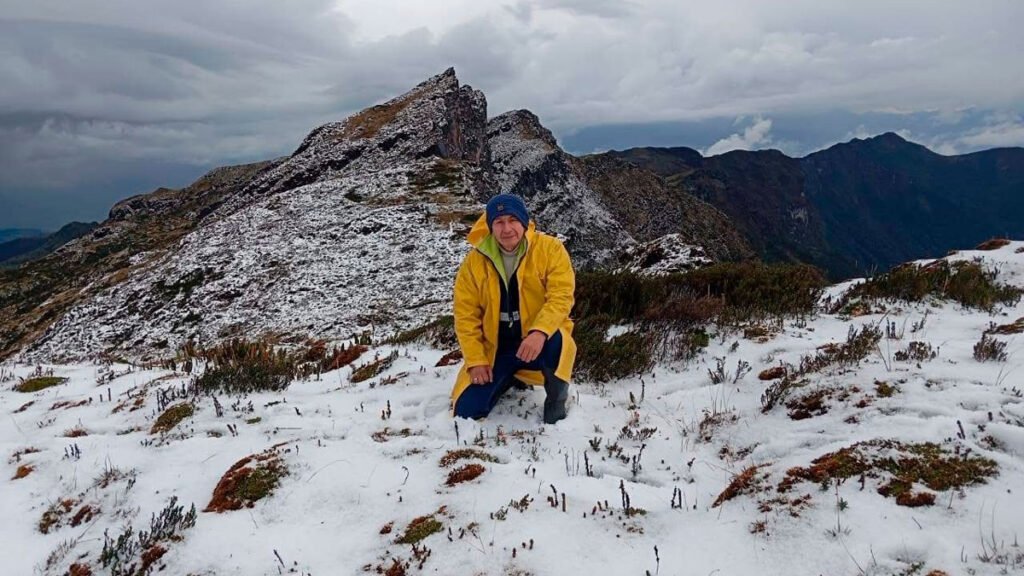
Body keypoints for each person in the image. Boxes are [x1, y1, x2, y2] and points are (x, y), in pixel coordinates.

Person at [450, 193, 577, 424]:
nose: (507, 228)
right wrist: (476, 361)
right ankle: (508, 376)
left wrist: (539, 332)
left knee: (557, 341)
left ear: (524, 222)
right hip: (496, 348)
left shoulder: (550, 249)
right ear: (490, 226)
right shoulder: (474, 262)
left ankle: (556, 401)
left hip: (536, 341)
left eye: (512, 220)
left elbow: (561, 296)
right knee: (466, 411)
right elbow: (465, 315)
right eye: (499, 222)